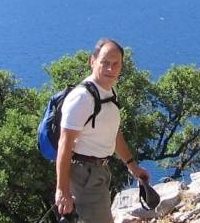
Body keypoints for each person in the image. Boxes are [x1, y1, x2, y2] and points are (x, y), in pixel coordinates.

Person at [54, 39, 149, 223]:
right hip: (85, 176)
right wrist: (62, 190)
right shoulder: (82, 98)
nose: (110, 69)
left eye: (116, 64)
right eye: (105, 63)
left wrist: (132, 166)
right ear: (93, 61)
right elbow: (64, 144)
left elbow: (113, 132)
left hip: (100, 172)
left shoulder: (109, 91)